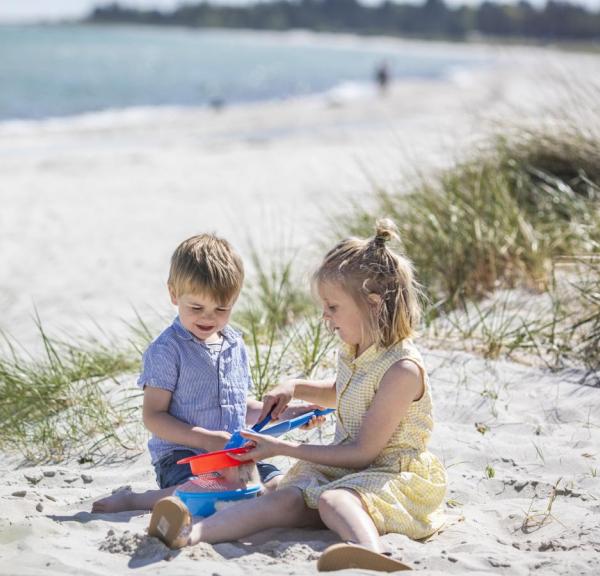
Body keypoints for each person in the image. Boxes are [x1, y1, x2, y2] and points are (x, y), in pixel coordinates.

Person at [146, 220, 447, 572]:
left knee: (335, 501)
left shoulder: (402, 370)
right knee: (284, 497)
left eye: (333, 307)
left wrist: (281, 448)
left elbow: (363, 452)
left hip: (388, 476)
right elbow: (344, 394)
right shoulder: (357, 350)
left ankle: (369, 552)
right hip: (348, 472)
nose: (325, 317)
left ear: (373, 304)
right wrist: (295, 387)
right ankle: (192, 534)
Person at [92, 233, 320, 513]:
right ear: (174, 294)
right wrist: (206, 439)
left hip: (234, 453)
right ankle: (135, 500)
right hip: (185, 457)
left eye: (221, 308)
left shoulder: (235, 344)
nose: (208, 317)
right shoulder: (168, 350)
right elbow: (154, 416)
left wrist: (287, 414)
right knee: (212, 491)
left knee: (282, 486)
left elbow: (239, 407)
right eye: (196, 307)